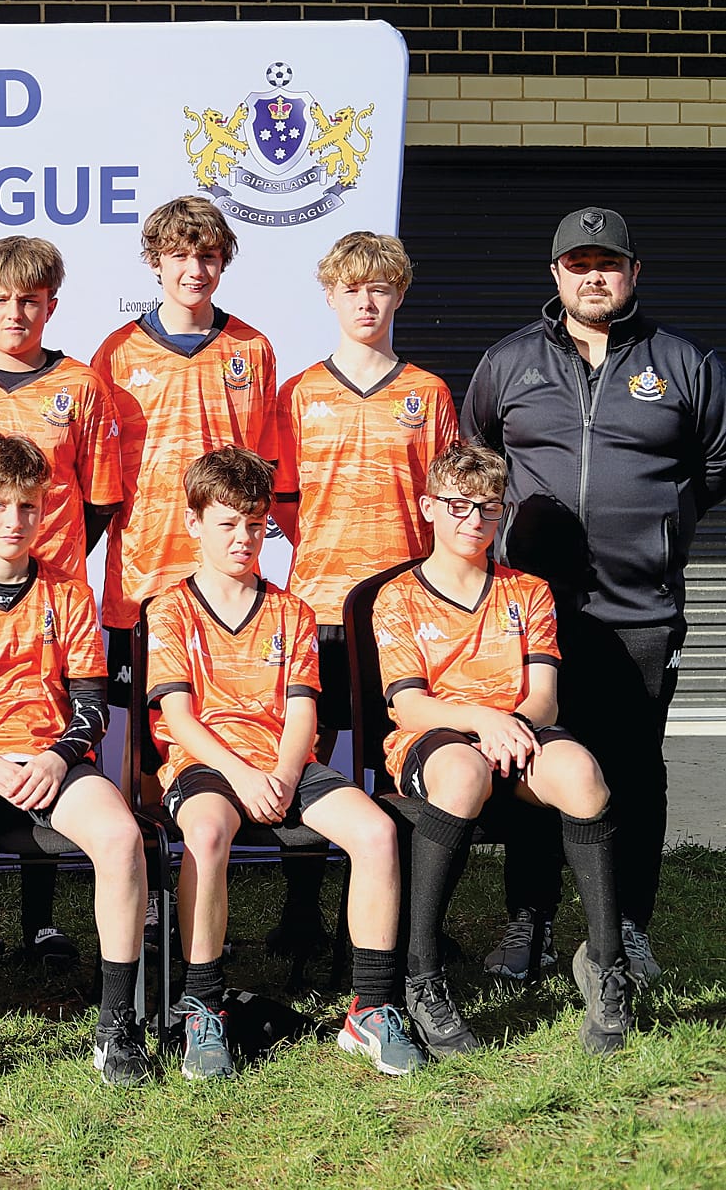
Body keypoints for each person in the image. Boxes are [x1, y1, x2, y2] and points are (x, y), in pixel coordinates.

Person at [462, 207, 726, 985]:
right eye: (577, 263)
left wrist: (661, 526)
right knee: (527, 759)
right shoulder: (508, 362)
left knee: (636, 769)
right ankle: (530, 919)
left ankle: (629, 928)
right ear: (555, 275)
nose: (592, 276)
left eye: (607, 263)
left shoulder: (682, 363)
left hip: (640, 609)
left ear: (632, 274)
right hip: (528, 613)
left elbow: (712, 465)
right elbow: (476, 458)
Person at [148, 447, 419, 1079]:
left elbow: (303, 716)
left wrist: (284, 775)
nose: (243, 538)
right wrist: (244, 776)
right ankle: (202, 1006)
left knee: (377, 831)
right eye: (226, 524)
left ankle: (371, 1009)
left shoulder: (291, 611)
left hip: (283, 767)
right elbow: (180, 720)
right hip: (208, 762)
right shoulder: (170, 609)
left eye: (253, 523)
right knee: (209, 832)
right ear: (193, 524)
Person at [0, 434, 150, 1088]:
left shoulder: (68, 596)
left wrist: (57, 756)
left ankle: (115, 1025)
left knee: (122, 837)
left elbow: (93, 709)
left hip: (52, 759)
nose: (14, 522)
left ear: (44, 511)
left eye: (28, 507)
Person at [373, 441, 634, 1056]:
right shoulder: (398, 596)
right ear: (429, 507)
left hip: (517, 728)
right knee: (463, 774)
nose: (475, 523)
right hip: (434, 735)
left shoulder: (529, 591)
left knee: (582, 775)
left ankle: (606, 966)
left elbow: (544, 698)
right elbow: (409, 704)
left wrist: (510, 723)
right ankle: (423, 975)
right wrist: (482, 721)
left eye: (489, 510)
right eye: (460, 507)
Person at [0, 235, 122, 968]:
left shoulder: (81, 384)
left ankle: (41, 922)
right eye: (0, 299)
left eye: (29, 300)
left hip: (53, 606)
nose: (15, 312)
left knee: (46, 744)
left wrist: (55, 561)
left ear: (50, 304)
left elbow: (101, 497)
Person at [269, 232, 457, 953]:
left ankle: (400, 922)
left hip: (401, 614)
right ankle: (299, 912)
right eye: (350, 288)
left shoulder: (427, 392)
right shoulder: (298, 392)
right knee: (306, 755)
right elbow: (284, 502)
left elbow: (445, 500)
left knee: (397, 760)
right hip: (314, 606)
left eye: (378, 287)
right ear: (329, 295)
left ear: (398, 294)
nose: (365, 300)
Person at [92, 197, 279, 707]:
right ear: (156, 261)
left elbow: (264, 465)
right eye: (180, 256)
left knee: (230, 708)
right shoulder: (117, 352)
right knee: (142, 728)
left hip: (228, 572)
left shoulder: (253, 348)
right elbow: (100, 473)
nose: (195, 271)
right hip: (144, 570)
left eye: (209, 257)